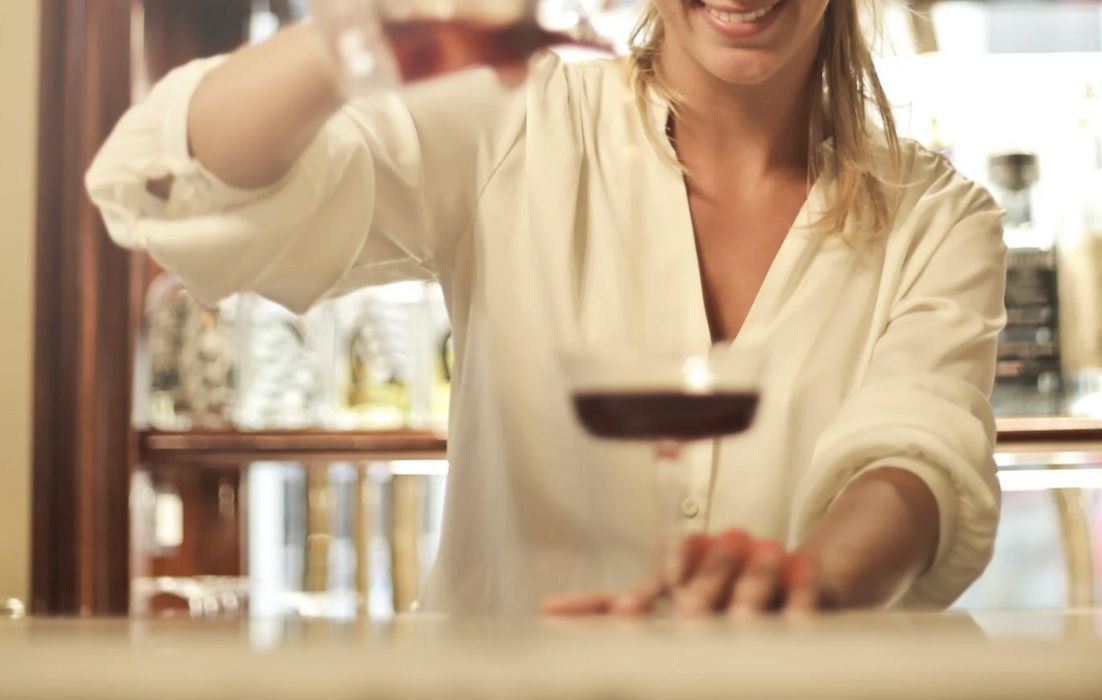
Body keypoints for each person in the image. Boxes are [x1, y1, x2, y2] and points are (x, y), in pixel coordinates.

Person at [87, 0, 1006, 617]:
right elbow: (177, 185)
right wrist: (355, 40)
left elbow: (916, 455)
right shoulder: (514, 119)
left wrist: (814, 585)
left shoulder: (940, 219)